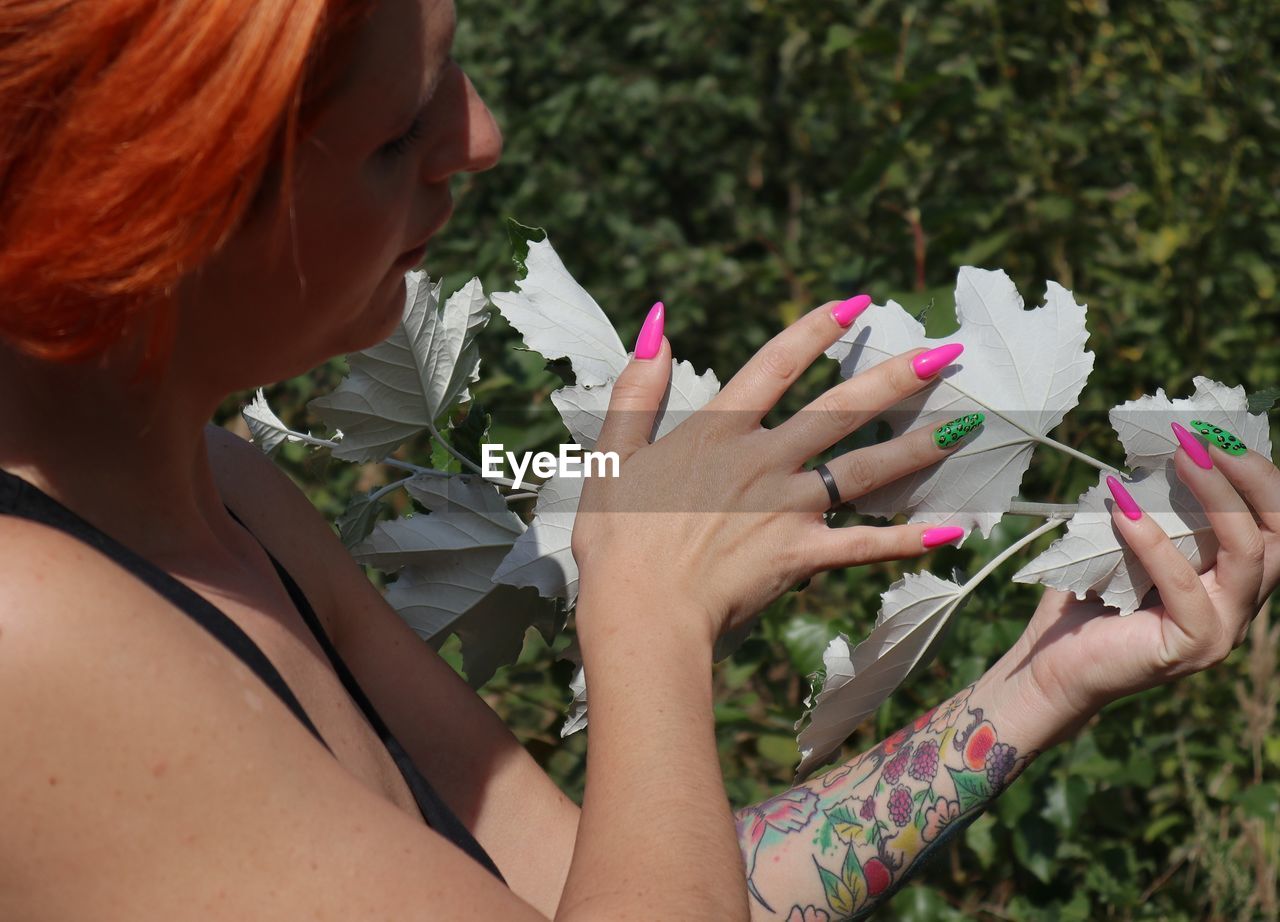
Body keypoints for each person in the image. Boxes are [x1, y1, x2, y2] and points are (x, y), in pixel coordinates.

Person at [1, 1, 1276, 919]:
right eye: (398, 134)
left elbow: (615, 887)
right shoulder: (30, 632)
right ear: (140, 201)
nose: (480, 135)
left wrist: (1038, 684)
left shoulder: (233, 490)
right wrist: (650, 615)